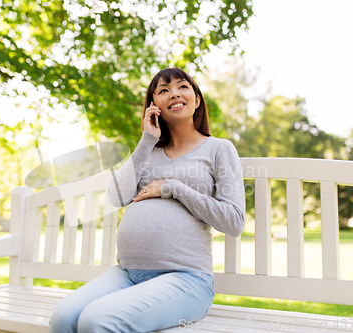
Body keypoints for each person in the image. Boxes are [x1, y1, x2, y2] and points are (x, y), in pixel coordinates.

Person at [49, 67, 246, 333]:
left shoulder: (219, 149)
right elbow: (116, 197)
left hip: (187, 279)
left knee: (97, 320)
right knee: (63, 318)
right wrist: (146, 141)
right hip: (128, 274)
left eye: (182, 86)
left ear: (197, 99)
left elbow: (233, 221)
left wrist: (173, 188)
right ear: (154, 107)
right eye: (163, 91)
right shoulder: (148, 152)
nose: (174, 93)